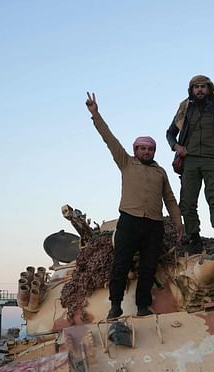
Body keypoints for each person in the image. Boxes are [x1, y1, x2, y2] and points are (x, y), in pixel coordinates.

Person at [86, 91, 183, 319]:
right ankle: (115, 304)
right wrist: (96, 115)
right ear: (135, 150)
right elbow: (109, 139)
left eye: (149, 149)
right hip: (129, 221)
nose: (146, 152)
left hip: (154, 225)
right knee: (121, 264)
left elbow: (169, 199)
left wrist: (178, 223)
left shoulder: (160, 172)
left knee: (148, 268)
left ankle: (142, 306)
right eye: (142, 148)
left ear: (153, 152)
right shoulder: (126, 163)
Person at [166, 75, 214, 251]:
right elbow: (170, 133)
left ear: (209, 89)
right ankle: (194, 238)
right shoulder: (186, 109)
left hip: (213, 158)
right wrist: (176, 146)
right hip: (189, 160)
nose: (199, 90)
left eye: (203, 86)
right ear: (191, 90)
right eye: (196, 87)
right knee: (187, 201)